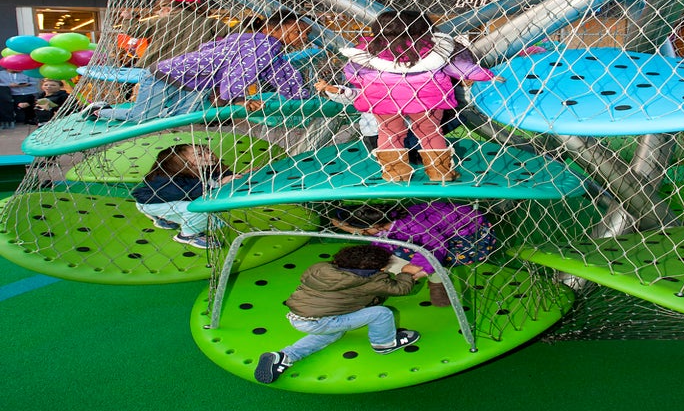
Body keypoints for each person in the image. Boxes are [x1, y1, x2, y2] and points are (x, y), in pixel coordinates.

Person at [331, 10, 502, 182]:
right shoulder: (434, 49)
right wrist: (489, 75)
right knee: (430, 133)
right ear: (423, 29)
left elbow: (353, 75)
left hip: (383, 100)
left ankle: (395, 174)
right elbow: (460, 68)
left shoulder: (367, 52)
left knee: (389, 133)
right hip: (427, 99)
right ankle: (439, 173)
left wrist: (370, 83)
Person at [91, 13, 317, 123]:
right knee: (141, 117)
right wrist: (236, 99)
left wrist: (300, 95)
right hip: (165, 75)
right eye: (298, 32)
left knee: (186, 115)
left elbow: (279, 72)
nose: (302, 38)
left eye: (305, 34)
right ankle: (98, 111)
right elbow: (239, 72)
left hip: (190, 82)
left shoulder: (267, 46)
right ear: (273, 29)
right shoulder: (261, 45)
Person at [254, 244, 426, 385]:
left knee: (331, 334)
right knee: (381, 313)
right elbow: (400, 289)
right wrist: (407, 273)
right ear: (380, 268)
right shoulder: (369, 281)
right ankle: (384, 344)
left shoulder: (321, 269)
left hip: (300, 316)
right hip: (322, 320)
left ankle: (283, 357)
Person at [331, 200, 494, 306]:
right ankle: (380, 287)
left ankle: (438, 284)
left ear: (374, 226)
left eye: (358, 231)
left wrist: (416, 268)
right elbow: (382, 243)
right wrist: (378, 263)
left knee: (431, 259)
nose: (355, 234)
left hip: (469, 233)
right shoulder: (386, 223)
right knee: (394, 252)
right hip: (438, 227)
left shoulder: (415, 227)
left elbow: (435, 248)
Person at [131, 143, 240, 249]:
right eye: (199, 154)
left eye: (207, 151)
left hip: (170, 201)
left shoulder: (203, 168)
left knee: (201, 206)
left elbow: (221, 175)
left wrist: (236, 176)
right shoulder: (168, 179)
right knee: (199, 209)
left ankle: (165, 218)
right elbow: (191, 192)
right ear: (180, 162)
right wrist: (218, 184)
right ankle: (188, 235)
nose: (209, 155)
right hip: (151, 204)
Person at [118, 0, 227, 68]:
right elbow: (234, 32)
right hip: (189, 70)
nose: (158, 13)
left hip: (156, 68)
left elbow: (134, 30)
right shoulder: (208, 22)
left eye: (159, 11)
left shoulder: (162, 21)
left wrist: (128, 18)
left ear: (167, 9)